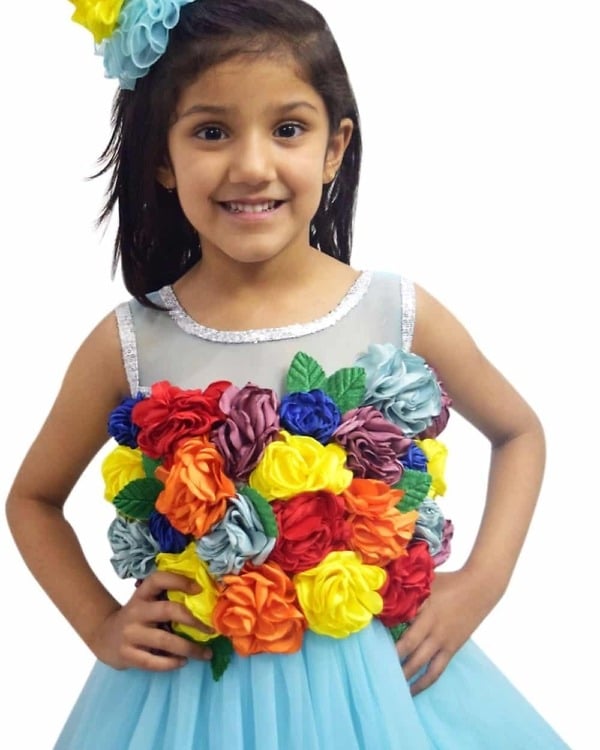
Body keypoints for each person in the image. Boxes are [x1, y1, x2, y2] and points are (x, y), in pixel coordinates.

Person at [5, 0, 571, 748]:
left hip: (382, 693)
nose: (251, 165)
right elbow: (33, 500)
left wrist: (482, 583)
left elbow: (519, 431)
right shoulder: (131, 340)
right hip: (188, 702)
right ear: (162, 159)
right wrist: (99, 623)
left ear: (335, 148)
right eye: (211, 131)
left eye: (288, 129)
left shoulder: (394, 311)